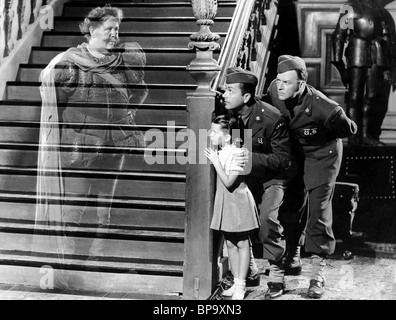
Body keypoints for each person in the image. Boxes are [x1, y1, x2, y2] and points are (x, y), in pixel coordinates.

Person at [37, 5, 148, 259]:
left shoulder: (122, 61)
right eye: (109, 29)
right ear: (92, 30)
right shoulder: (69, 63)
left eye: (117, 30)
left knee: (105, 208)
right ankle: (64, 261)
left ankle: (97, 257)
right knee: (74, 206)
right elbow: (53, 99)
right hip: (81, 143)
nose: (115, 35)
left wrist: (129, 113)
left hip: (116, 143)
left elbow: (141, 90)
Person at [263, 55, 358, 299]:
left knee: (319, 211)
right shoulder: (275, 91)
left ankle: (317, 273)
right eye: (279, 81)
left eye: (287, 82)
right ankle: (293, 254)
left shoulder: (323, 107)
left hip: (323, 155)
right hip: (296, 153)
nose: (280, 86)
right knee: (291, 205)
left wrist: (320, 137)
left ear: (302, 84)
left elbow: (349, 129)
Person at [221, 67, 296, 299]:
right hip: (249, 175)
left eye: (229, 90)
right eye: (224, 89)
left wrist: (248, 156)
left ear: (245, 97)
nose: (224, 94)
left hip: (274, 177)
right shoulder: (231, 117)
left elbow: (283, 161)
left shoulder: (272, 118)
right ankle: (249, 270)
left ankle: (276, 272)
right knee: (234, 215)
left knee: (266, 220)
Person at [204, 114, 260, 300]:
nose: (210, 134)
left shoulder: (238, 153)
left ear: (227, 136)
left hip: (237, 200)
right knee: (230, 243)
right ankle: (236, 283)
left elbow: (229, 182)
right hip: (225, 200)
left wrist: (216, 162)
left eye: (214, 131)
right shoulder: (219, 151)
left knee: (242, 243)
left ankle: (241, 286)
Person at [331, 0, 396, 146]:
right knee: (354, 97)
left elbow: (391, 42)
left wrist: (392, 69)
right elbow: (339, 35)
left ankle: (367, 135)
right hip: (357, 52)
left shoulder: (383, 12)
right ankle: (353, 135)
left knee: (373, 96)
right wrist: (340, 66)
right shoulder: (351, 6)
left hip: (378, 55)